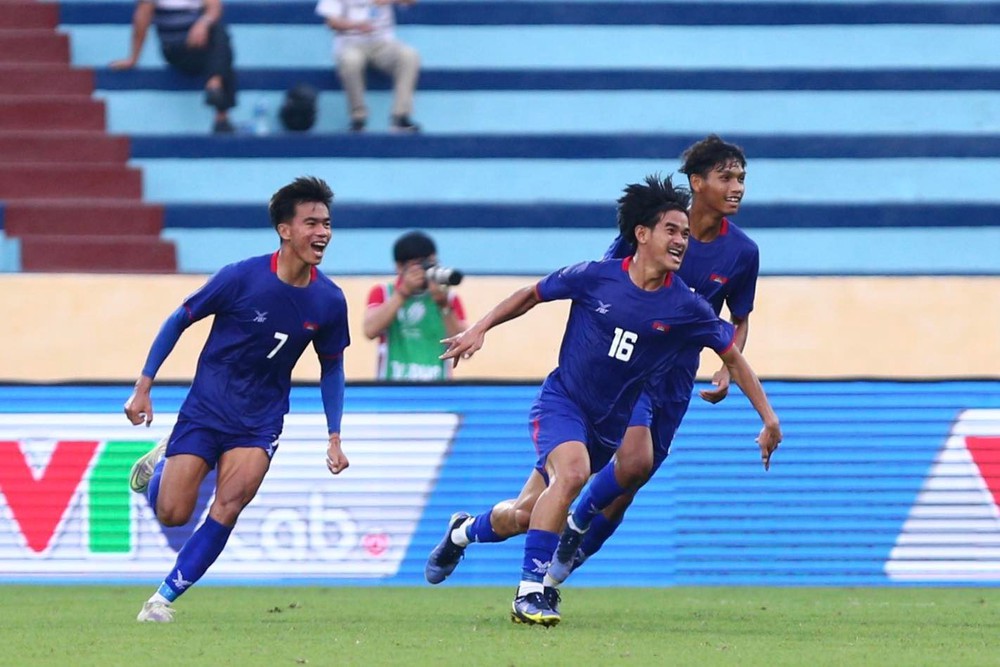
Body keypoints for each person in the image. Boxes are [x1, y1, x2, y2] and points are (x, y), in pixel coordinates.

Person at [423, 175, 781, 626]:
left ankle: (461, 532)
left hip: (606, 427)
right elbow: (530, 295)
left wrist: (769, 418)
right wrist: (479, 329)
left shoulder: (687, 307)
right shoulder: (595, 276)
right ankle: (530, 592)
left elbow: (734, 356)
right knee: (571, 475)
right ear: (642, 234)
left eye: (686, 234)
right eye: (672, 230)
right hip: (563, 402)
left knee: (524, 515)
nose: (681, 241)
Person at [123, 176, 350, 623]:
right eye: (312, 222)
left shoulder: (329, 300)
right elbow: (178, 320)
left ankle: (161, 599)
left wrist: (334, 435)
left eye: (326, 223)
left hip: (259, 421)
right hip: (206, 408)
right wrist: (144, 384)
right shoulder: (240, 277)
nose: (322, 232)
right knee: (172, 513)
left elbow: (332, 367)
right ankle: (161, 464)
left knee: (229, 504)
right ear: (285, 230)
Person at [544, 135, 760, 588]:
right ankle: (575, 520)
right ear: (697, 183)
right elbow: (606, 284)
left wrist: (726, 366)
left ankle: (571, 552)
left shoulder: (742, 252)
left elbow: (738, 320)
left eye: (741, 178)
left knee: (629, 488)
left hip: (678, 380)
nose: (737, 187)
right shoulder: (653, 227)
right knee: (635, 461)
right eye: (727, 177)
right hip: (635, 366)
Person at [111, 0, 238, 133]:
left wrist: (203, 23)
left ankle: (215, 84)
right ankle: (220, 112)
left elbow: (215, 8)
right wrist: (133, 58)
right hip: (176, 49)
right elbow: (142, 20)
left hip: (201, 47)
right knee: (221, 52)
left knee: (219, 38)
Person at [363, 230, 467, 381]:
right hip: (391, 387)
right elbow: (370, 330)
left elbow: (463, 349)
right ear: (399, 267)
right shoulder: (383, 293)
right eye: (419, 266)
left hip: (437, 388)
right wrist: (403, 292)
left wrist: (443, 305)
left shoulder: (449, 298)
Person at [315, 0, 421, 133]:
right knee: (350, 61)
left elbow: (411, 2)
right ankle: (358, 118)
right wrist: (356, 25)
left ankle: (400, 117)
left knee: (409, 56)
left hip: (383, 43)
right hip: (350, 43)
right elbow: (331, 22)